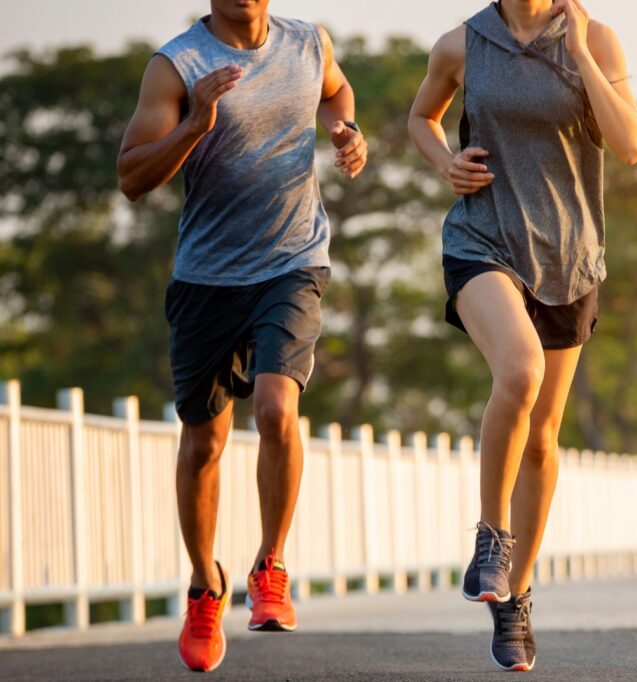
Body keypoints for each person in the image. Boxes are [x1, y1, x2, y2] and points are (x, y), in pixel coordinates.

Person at [116, 0, 367, 672]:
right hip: (207, 277)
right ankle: (205, 585)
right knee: (204, 442)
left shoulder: (308, 43)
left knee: (277, 408)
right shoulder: (176, 66)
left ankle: (270, 565)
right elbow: (132, 177)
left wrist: (344, 128)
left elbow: (336, 88)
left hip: (293, 261)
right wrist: (194, 124)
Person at [408, 0, 637, 671]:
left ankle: (516, 598)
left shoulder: (596, 40)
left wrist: (582, 57)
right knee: (520, 369)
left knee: (542, 437)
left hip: (569, 259)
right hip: (482, 240)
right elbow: (421, 117)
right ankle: (492, 538)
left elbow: (630, 144)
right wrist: (444, 164)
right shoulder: (462, 43)